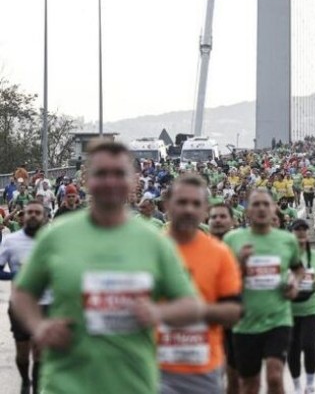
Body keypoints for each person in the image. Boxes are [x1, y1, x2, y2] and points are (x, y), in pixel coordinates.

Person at [11, 141, 203, 394]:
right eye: (101, 173)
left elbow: (191, 306)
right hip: (66, 384)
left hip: (133, 383)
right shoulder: (56, 236)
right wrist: (39, 326)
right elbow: (22, 293)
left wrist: (158, 314)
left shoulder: (154, 241)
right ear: (86, 178)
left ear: (133, 181)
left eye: (119, 174)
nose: (110, 182)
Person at [159, 174, 242, 394]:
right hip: (154, 370)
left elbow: (234, 311)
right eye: (181, 202)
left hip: (203, 370)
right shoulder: (150, 249)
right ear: (168, 205)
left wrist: (196, 311)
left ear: (205, 210)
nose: (188, 209)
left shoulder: (220, 254)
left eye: (195, 204)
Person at [223, 189, 304, 394]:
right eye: (256, 204)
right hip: (245, 323)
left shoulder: (287, 240)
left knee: (275, 377)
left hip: (278, 319)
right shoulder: (233, 239)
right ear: (247, 210)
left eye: (265, 204)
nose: (261, 209)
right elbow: (223, 279)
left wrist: (294, 285)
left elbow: (298, 269)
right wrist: (240, 263)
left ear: (273, 209)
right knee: (250, 385)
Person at [0, 201, 48, 394]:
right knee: (22, 352)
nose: (34, 215)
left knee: (39, 351)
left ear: (44, 216)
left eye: (38, 212)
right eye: (30, 212)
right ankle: (25, 379)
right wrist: (17, 276)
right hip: (20, 304)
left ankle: (36, 386)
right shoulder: (10, 241)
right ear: (23, 216)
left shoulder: (50, 240)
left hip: (45, 303)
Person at [288, 219, 315, 394]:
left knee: (309, 345)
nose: (301, 232)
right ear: (292, 233)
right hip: (289, 308)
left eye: (304, 229)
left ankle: (310, 384)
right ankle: (296, 385)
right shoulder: (284, 256)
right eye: (298, 229)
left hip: (311, 306)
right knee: (293, 347)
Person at [207, 203, 240, 394]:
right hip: (207, 321)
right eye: (214, 217)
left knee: (235, 377)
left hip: (237, 320)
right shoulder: (199, 246)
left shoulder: (243, 247)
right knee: (212, 374)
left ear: (233, 221)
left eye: (222, 217)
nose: (218, 220)